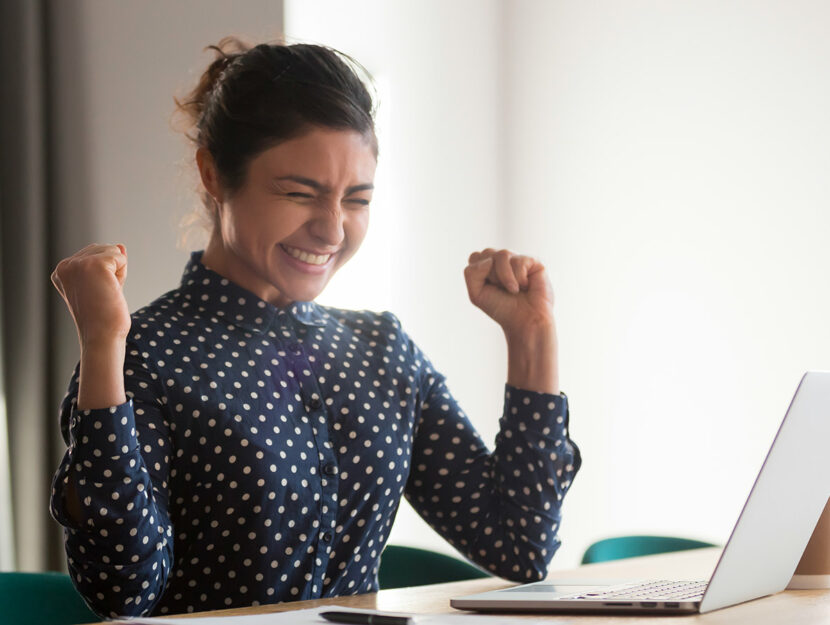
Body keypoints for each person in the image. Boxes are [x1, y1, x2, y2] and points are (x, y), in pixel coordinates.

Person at [48, 37, 581, 619]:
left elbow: (519, 544)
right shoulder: (143, 354)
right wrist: (103, 345)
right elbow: (122, 591)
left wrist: (532, 337)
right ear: (214, 175)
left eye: (357, 199)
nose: (332, 231)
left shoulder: (383, 350)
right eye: (300, 193)